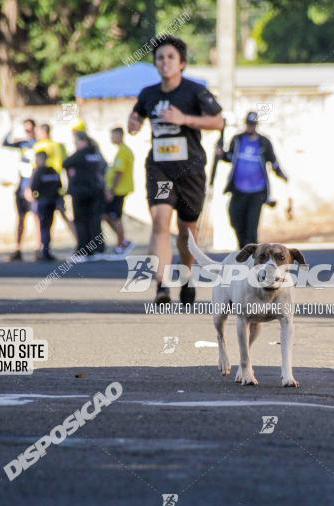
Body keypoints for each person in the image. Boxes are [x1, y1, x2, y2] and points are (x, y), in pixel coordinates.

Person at [127, 35, 224, 304]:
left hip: (190, 168)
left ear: (181, 63)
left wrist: (185, 119)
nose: (165, 62)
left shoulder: (195, 91)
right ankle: (161, 286)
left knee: (187, 228)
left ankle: (187, 278)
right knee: (160, 222)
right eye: (160, 58)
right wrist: (133, 122)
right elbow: (136, 118)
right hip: (160, 168)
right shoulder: (148, 94)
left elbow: (218, 122)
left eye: (171, 57)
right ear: (155, 63)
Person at [217, 111, 288, 248]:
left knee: (251, 225)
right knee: (235, 219)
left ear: (256, 125)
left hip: (257, 191)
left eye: (253, 125)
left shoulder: (264, 143)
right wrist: (221, 154)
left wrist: (282, 175)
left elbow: (273, 162)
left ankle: (251, 255)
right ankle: (242, 247)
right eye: (249, 124)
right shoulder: (237, 140)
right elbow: (230, 157)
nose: (251, 127)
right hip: (238, 189)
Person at [63, 131, 106, 257]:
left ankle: (84, 249)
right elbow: (104, 168)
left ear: (83, 142)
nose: (75, 145)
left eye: (76, 142)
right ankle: (98, 248)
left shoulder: (81, 154)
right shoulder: (96, 153)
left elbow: (65, 163)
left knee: (82, 221)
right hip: (96, 191)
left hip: (81, 192)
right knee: (95, 221)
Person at [2, 118, 37, 261]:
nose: (27, 132)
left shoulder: (38, 144)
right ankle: (17, 249)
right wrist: (11, 128)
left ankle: (39, 248)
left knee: (37, 217)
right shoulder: (22, 143)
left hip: (33, 183)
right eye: (25, 129)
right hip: (22, 184)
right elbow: (5, 142)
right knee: (21, 218)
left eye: (29, 129)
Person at [103, 126, 135, 257]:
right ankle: (123, 240)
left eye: (113, 135)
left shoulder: (123, 151)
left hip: (119, 190)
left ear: (120, 135)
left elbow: (119, 173)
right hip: (117, 190)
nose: (111, 138)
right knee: (107, 215)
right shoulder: (120, 151)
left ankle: (121, 245)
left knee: (115, 217)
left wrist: (111, 190)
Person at [29, 151, 62, 261]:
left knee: (44, 228)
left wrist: (36, 197)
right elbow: (59, 186)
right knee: (48, 227)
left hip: (43, 203)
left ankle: (45, 251)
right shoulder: (53, 171)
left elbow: (34, 188)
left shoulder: (39, 172)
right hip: (52, 202)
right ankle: (46, 250)